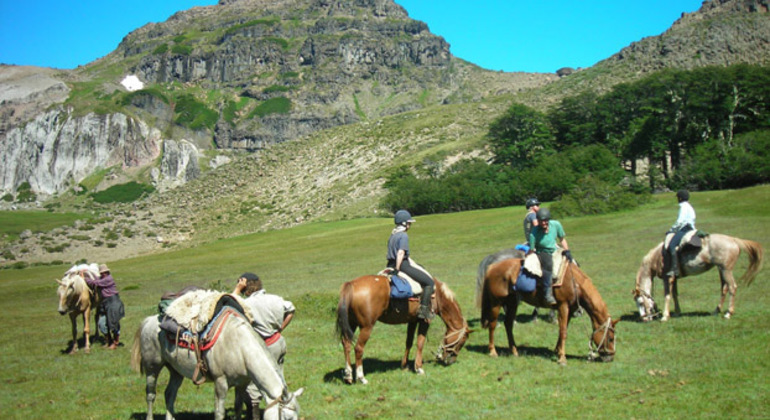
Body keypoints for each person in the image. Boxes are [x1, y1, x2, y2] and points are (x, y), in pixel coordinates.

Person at [233, 272, 295, 420]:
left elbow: (227, 302)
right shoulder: (275, 298)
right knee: (278, 379)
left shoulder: (246, 304)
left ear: (245, 286)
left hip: (262, 347)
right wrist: (280, 328)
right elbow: (291, 309)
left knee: (254, 386)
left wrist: (237, 289)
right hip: (278, 341)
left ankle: (255, 416)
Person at [387, 209, 435, 321]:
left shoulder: (392, 235)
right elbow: (400, 253)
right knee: (429, 283)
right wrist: (397, 269)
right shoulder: (403, 236)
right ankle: (423, 311)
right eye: (409, 223)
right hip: (402, 265)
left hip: (389, 263)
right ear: (404, 223)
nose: (410, 225)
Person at [527, 208, 571, 305]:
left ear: (549, 220)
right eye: (541, 221)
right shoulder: (534, 232)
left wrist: (567, 251)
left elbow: (562, 239)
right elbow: (532, 248)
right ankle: (547, 293)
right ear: (538, 221)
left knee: (572, 262)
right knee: (548, 265)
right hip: (542, 251)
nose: (543, 223)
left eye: (545, 221)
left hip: (555, 249)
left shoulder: (556, 225)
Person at [84, 264, 125, 349]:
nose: (104, 274)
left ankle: (115, 343)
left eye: (105, 272)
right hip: (105, 303)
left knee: (113, 323)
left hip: (113, 301)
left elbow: (94, 282)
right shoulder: (102, 279)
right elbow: (96, 279)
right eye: (102, 273)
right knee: (102, 323)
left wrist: (84, 278)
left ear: (108, 272)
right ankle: (108, 340)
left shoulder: (108, 279)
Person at [663, 189, 696, 281]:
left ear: (680, 198)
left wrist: (672, 230)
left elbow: (680, 221)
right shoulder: (689, 206)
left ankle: (674, 269)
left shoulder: (683, 207)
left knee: (671, 245)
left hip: (685, 228)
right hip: (692, 227)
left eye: (678, 198)